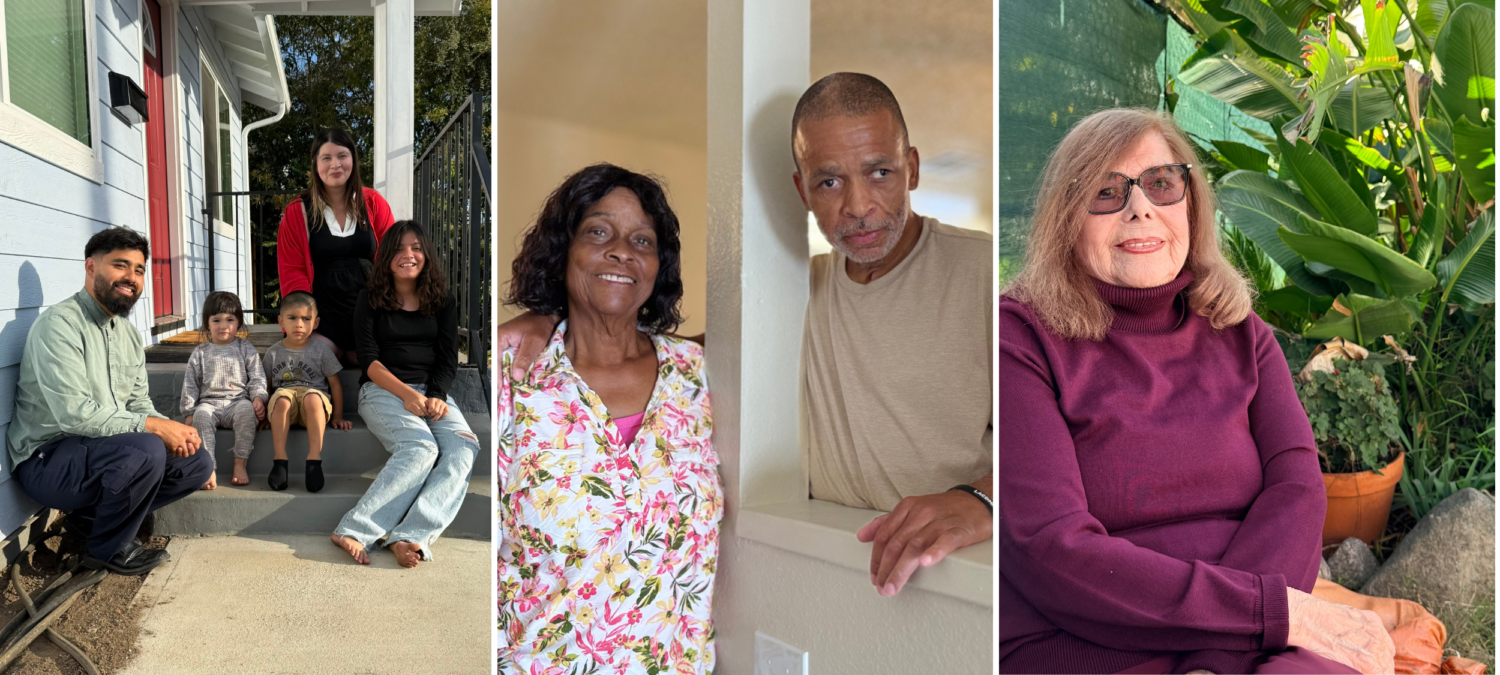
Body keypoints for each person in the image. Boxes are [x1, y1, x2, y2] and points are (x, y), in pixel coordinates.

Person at [498, 72, 992, 597]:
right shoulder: (793, 291)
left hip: (965, 578)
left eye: (880, 172)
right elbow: (649, 348)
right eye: (829, 182)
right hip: (832, 576)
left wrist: (982, 500)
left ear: (912, 168)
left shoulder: (984, 275)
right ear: (803, 190)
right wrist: (549, 316)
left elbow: (1052, 444)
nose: (858, 205)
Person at [996, 108, 1395, 675]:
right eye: (1107, 192)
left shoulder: (1240, 330)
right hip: (1089, 641)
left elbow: (1297, 492)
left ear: (1191, 204)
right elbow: (1051, 547)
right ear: (1066, 220)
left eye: (1161, 183)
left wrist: (1216, 657)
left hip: (1256, 636)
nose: (1140, 207)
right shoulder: (1021, 337)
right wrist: (1262, 615)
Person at [495, 164, 720, 674]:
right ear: (563, 251)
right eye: (598, 232)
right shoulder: (517, 376)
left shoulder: (698, 373)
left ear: (658, 266)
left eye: (642, 240)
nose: (622, 251)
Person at [6, 227, 213, 575]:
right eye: (120, 265)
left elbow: (138, 403)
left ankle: (89, 521)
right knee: (146, 449)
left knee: (195, 463)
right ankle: (109, 550)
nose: (131, 277)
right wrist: (156, 428)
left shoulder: (128, 334)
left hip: (100, 453)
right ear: (91, 267)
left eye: (139, 270)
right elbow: (74, 416)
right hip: (47, 461)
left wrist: (180, 435)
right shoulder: (59, 326)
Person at [331, 221, 479, 568]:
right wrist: (407, 395)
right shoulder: (370, 298)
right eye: (399, 249)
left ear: (426, 255)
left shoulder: (442, 300)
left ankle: (409, 536)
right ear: (386, 256)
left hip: (431, 392)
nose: (408, 255)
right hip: (382, 390)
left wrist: (437, 394)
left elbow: (447, 358)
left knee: (464, 447)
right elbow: (369, 360)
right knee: (421, 448)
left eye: (415, 248)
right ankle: (353, 530)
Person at [277, 128, 395, 364]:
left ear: (353, 159)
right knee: (313, 361)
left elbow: (392, 258)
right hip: (324, 315)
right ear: (315, 163)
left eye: (342, 156)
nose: (335, 164)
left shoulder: (373, 203)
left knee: (381, 361)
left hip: (369, 310)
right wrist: (302, 322)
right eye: (326, 158)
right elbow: (292, 271)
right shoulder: (298, 211)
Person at [263, 292, 350, 492]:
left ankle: (314, 461)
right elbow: (265, 385)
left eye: (306, 319)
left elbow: (335, 384)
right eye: (292, 318)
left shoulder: (322, 350)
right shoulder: (273, 352)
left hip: (313, 405)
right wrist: (266, 414)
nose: (299, 324)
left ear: (316, 323)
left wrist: (337, 416)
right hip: (285, 403)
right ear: (281, 321)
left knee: (312, 398)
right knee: (282, 399)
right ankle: (280, 461)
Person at [181, 291, 267, 489]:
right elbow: (191, 384)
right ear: (207, 323)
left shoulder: (246, 349)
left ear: (238, 322)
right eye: (216, 320)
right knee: (201, 416)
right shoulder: (200, 353)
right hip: (209, 403)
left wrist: (258, 398)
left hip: (238, 402)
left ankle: (240, 463)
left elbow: (257, 377)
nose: (223, 326)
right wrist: (189, 412)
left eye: (230, 319)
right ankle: (208, 468)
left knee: (246, 412)